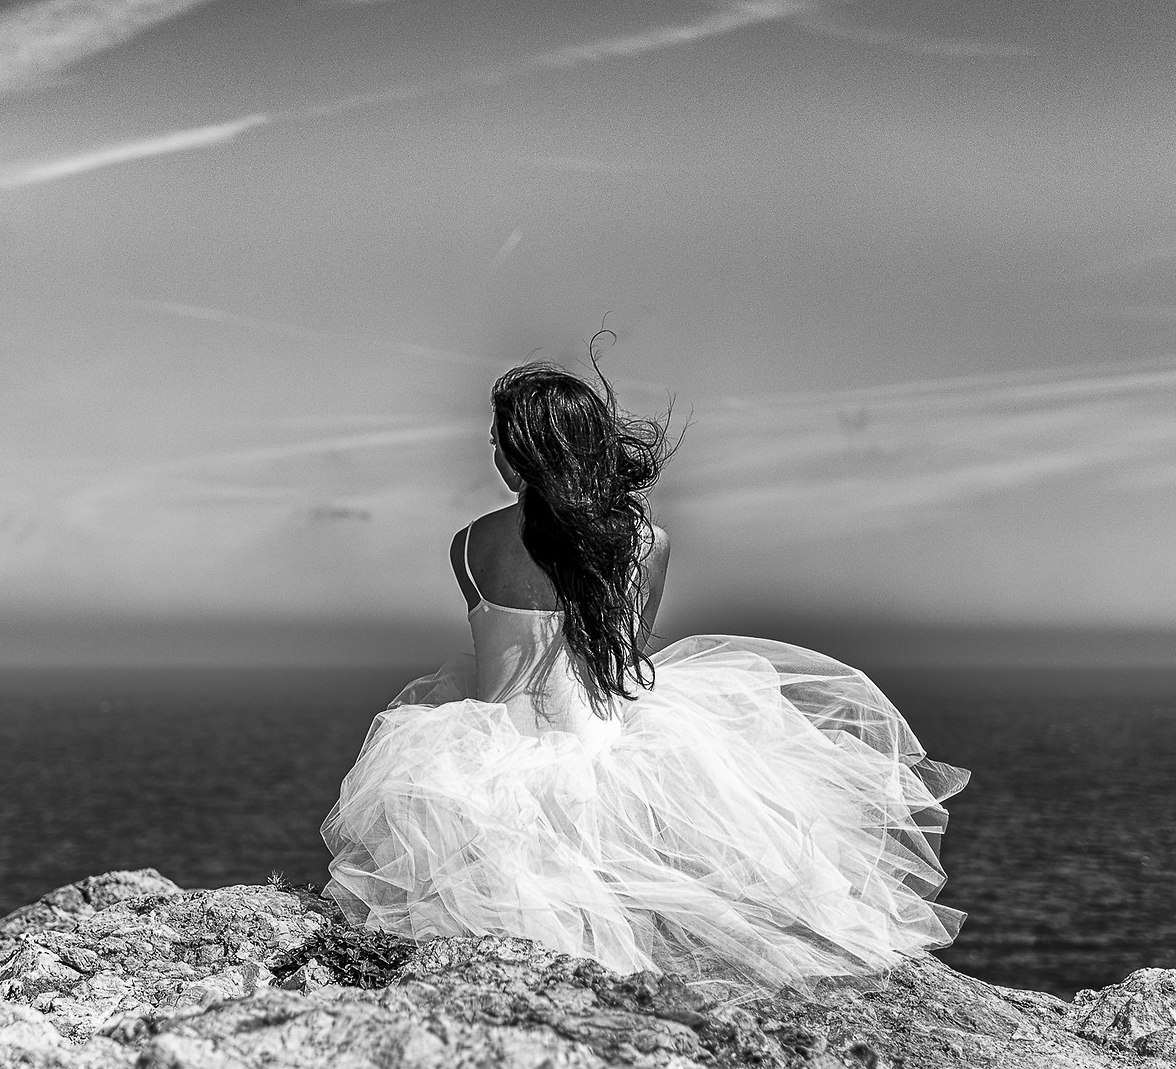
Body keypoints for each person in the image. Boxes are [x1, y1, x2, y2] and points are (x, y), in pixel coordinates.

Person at [320, 356, 966, 995]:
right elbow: (623, 661)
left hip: (487, 767)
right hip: (611, 755)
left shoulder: (468, 546)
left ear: (528, 449)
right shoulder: (649, 542)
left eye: (498, 439)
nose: (492, 451)